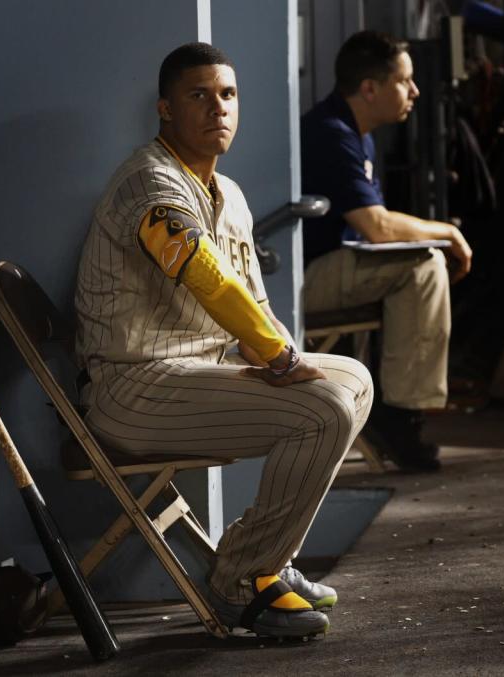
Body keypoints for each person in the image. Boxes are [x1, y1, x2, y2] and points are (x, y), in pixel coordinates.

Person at [74, 43, 374, 639]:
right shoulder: (149, 180)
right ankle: (240, 582)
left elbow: (255, 306)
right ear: (165, 108)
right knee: (323, 410)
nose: (218, 108)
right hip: (133, 386)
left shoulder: (228, 193)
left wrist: (286, 357)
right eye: (199, 96)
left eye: (228, 95)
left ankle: (269, 562)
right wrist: (278, 357)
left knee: (353, 380)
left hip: (200, 371)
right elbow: (195, 266)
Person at [300, 30, 473, 471]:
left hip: (329, 267)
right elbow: (376, 226)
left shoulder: (359, 133)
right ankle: (398, 416)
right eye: (405, 80)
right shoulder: (331, 132)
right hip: (298, 281)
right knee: (425, 264)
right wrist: (447, 234)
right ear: (370, 88)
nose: (414, 91)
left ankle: (391, 404)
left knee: (419, 264)